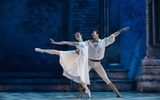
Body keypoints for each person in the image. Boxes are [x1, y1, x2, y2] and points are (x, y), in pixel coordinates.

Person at [77, 27, 129, 98]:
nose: (92, 35)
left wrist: (121, 30)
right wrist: (79, 44)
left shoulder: (103, 41)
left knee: (106, 78)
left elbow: (113, 35)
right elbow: (81, 44)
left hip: (97, 64)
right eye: (92, 35)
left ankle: (117, 93)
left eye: (94, 34)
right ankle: (80, 95)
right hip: (89, 62)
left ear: (97, 34)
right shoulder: (89, 42)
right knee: (82, 77)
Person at [35, 32, 91, 98]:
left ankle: (88, 91)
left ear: (81, 35)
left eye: (78, 35)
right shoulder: (76, 43)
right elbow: (65, 42)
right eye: (76, 36)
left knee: (81, 78)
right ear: (75, 38)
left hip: (81, 60)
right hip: (74, 56)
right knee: (58, 52)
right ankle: (42, 50)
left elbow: (95, 42)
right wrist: (55, 42)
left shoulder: (87, 42)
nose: (77, 36)